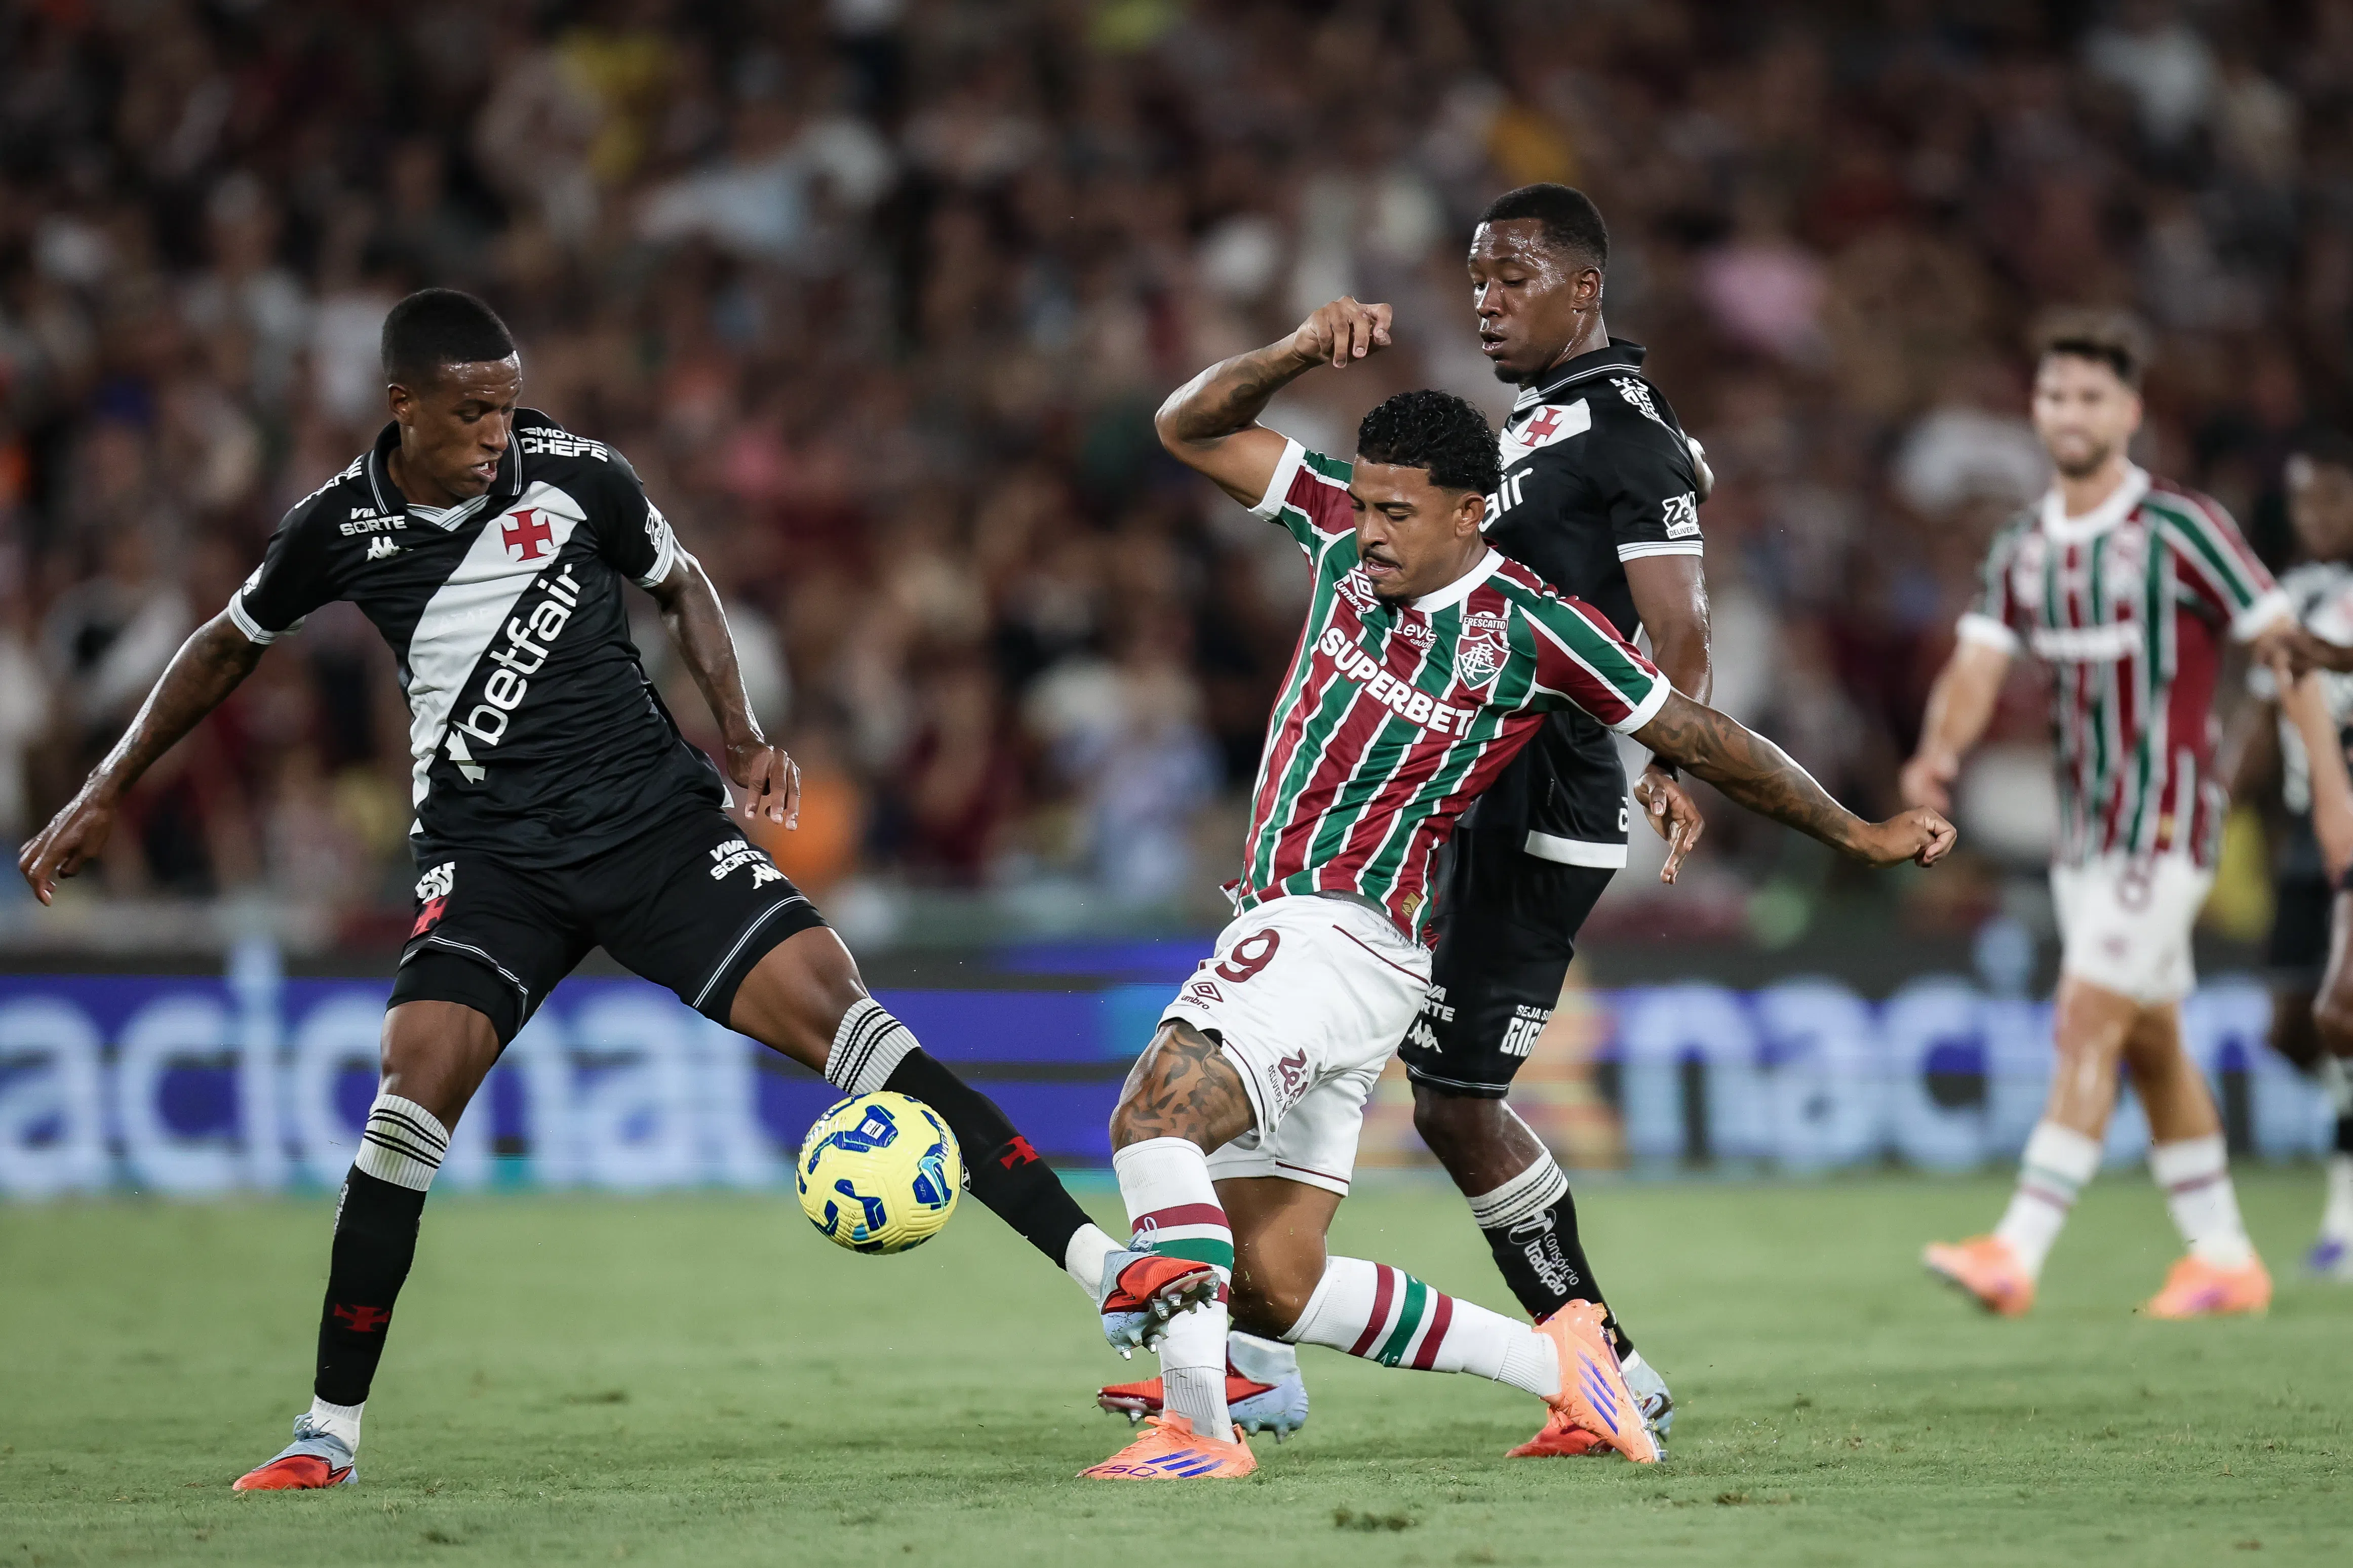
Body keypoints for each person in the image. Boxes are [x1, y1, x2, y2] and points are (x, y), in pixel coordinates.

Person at [14, 289, 1184, 1490]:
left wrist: (737, 729)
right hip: (490, 861)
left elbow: (683, 584)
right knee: (409, 1095)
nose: (495, 435)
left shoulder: (578, 475)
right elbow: (225, 642)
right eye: (470, 413)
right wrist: (107, 785)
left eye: (507, 407)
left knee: (857, 1027)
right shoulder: (335, 528)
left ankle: (1107, 1275)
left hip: (653, 832)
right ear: (401, 407)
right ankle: (326, 1434)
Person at [1082, 300, 1954, 1480]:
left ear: (1468, 510)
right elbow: (1187, 425)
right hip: (1347, 958)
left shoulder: (1539, 632)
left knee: (1151, 1121)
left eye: (1400, 513)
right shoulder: (1336, 521)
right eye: (1370, 503)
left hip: (1330, 933)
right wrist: (1292, 353)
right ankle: (1571, 1370)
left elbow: (1707, 736)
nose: (1374, 532)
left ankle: (1200, 1428)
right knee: (1271, 1285)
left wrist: (1855, 833)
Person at [1096, 182, 1716, 1456]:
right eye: (1476, 279)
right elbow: (1198, 429)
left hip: (1540, 805)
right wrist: (1294, 351)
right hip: (1454, 812)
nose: (1484, 302)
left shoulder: (1622, 429)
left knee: (1452, 1102)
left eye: (1513, 279)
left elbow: (1680, 622)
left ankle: (1604, 1365)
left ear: (1585, 287)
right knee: (1329, 1187)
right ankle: (1264, 1354)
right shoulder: (1521, 427)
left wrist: (1679, 750)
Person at [1908, 309, 2295, 1319]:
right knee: (2150, 1037)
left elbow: (2278, 645)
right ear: (2035, 410)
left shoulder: (2182, 528)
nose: (2069, 413)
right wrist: (1937, 755)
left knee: (2085, 1014)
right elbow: (1977, 664)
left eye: (2089, 396)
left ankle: (2016, 1249)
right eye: (2053, 395)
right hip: (2081, 835)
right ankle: (2223, 1257)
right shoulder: (2022, 545)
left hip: (2166, 822)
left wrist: (2322, 795)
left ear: (2126, 410)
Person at [2245, 434, 2353, 1278]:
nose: (2314, 519)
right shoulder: (2291, 593)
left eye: (2331, 501)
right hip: (2302, 826)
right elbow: (2263, 714)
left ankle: (2343, 1214)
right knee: (2288, 1032)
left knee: (2339, 1017)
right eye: (2303, 504)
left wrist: (2331, 656)